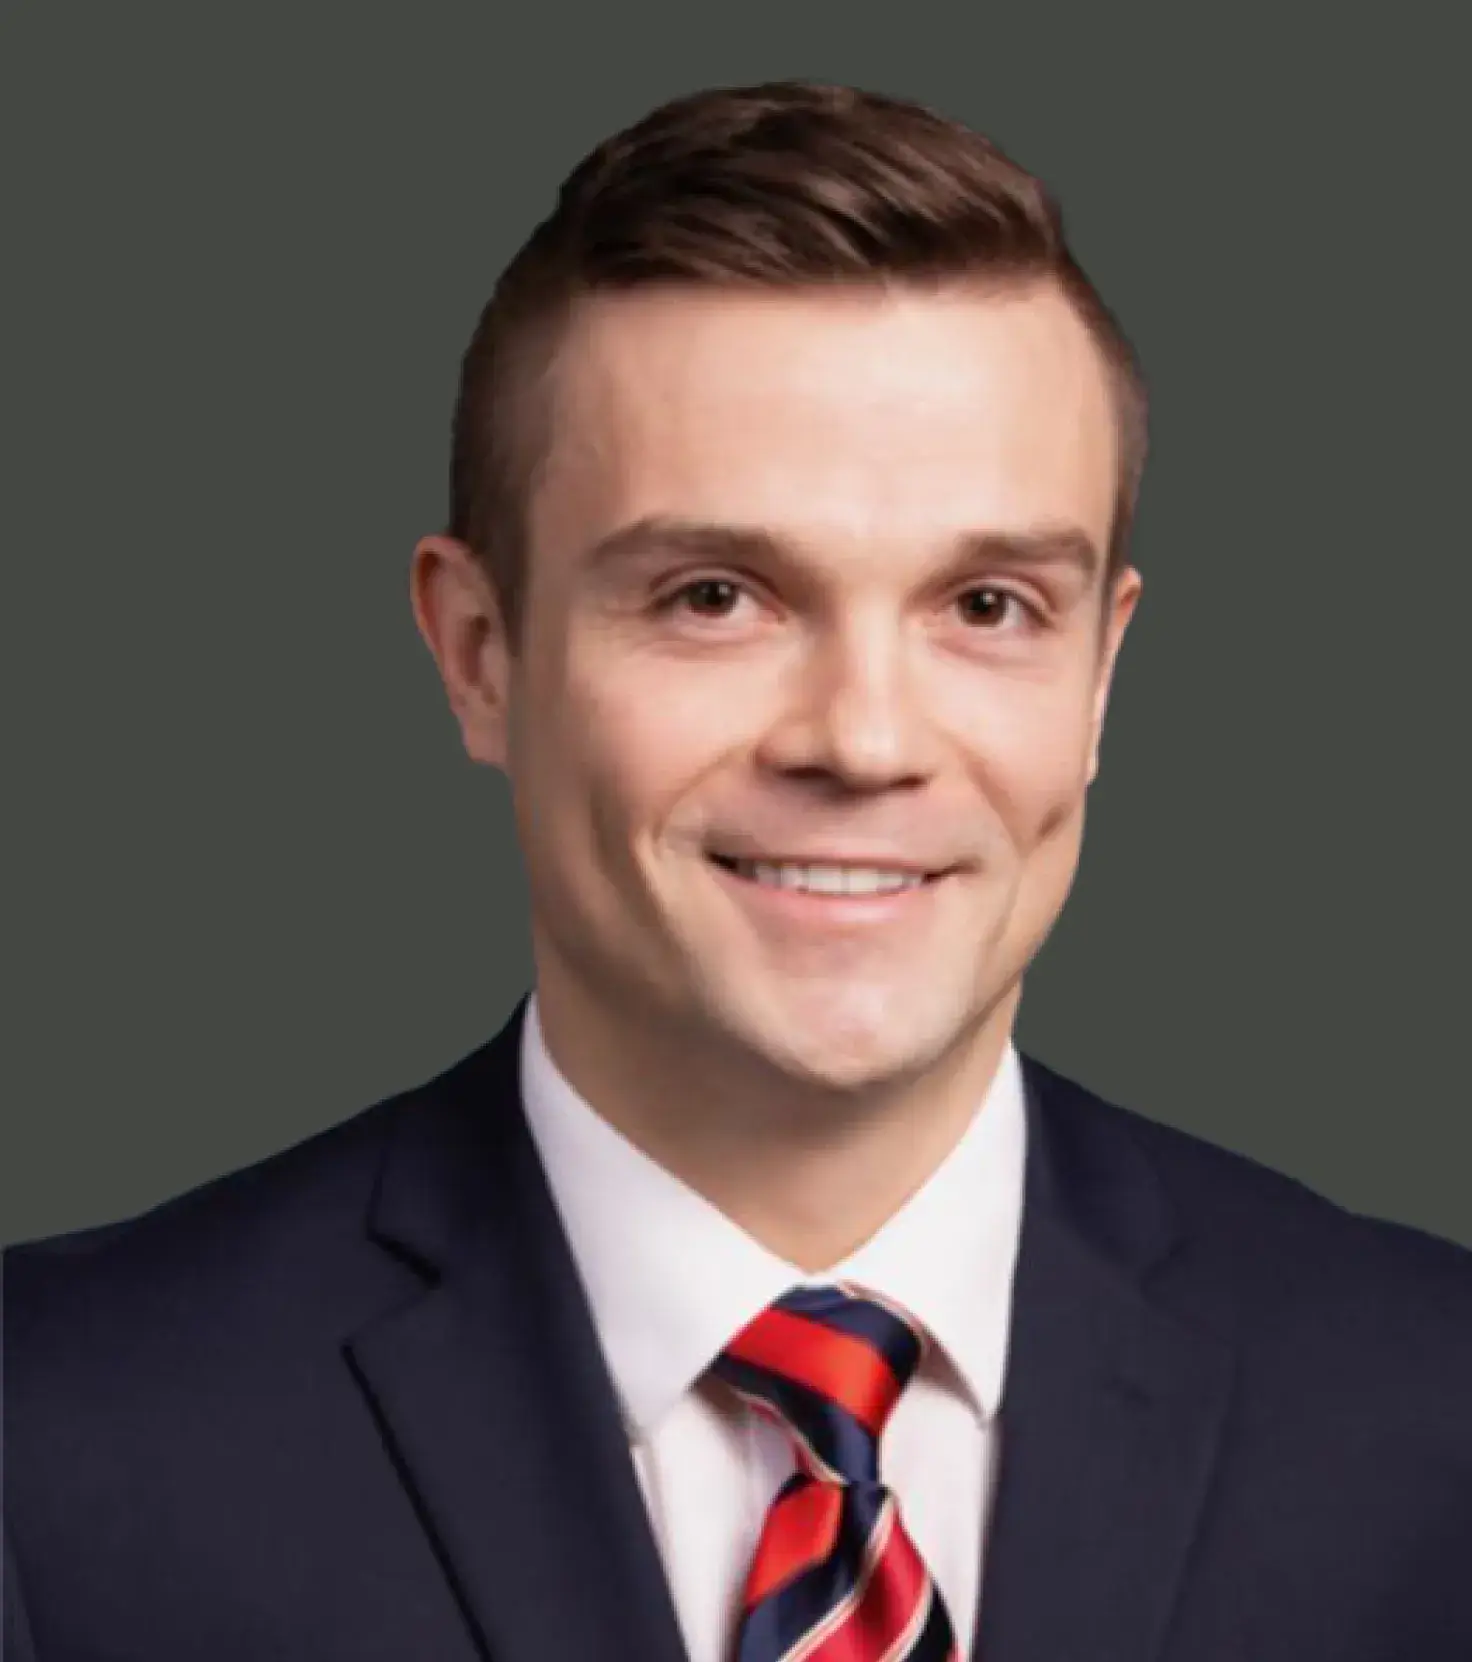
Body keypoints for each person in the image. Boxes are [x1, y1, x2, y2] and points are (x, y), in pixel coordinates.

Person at [5, 78, 1470, 1662]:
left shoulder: (1432, 1422)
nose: (864, 738)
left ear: (1102, 675)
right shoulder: (52, 1440)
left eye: (985, 606)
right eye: (717, 594)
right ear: (481, 652)